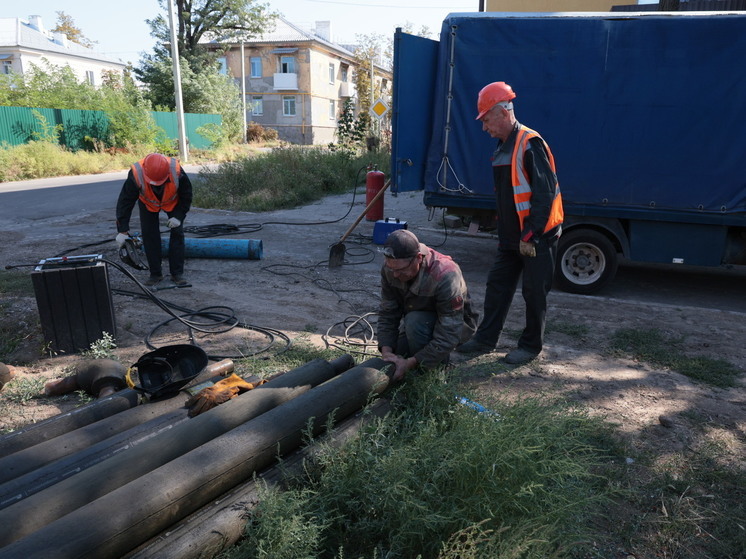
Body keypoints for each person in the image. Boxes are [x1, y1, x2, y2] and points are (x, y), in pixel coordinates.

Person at [455, 81, 563, 365]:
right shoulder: (503, 146)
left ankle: (530, 347)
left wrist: (531, 233)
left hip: (537, 235)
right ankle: (485, 340)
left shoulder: (530, 142)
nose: (484, 127)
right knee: (498, 286)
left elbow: (544, 193)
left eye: (486, 120)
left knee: (534, 292)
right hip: (511, 236)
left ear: (503, 113)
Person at [377, 229, 478, 381]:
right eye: (392, 269)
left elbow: (450, 331)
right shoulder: (391, 269)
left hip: (451, 325)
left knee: (415, 323)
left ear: (418, 258)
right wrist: (386, 352)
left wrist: (411, 363)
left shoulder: (445, 274)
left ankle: (434, 373)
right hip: (418, 318)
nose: (395, 275)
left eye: (401, 270)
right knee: (398, 353)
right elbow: (388, 312)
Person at [115, 153, 193, 286]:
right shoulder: (136, 173)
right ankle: (156, 274)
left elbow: (187, 195)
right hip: (148, 203)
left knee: (177, 233)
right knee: (149, 235)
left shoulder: (176, 170)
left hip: (173, 202)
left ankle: (177, 273)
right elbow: (125, 201)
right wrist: (122, 230)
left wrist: (179, 217)